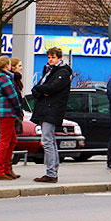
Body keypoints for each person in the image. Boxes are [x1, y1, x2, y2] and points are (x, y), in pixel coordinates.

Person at [30, 47, 72, 183]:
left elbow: (52, 88)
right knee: (50, 141)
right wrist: (42, 91)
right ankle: (52, 171)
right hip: (47, 109)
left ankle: (51, 173)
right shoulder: (48, 71)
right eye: (49, 57)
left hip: (52, 109)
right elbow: (37, 88)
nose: (50, 60)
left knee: (48, 140)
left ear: (59, 58)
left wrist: (41, 90)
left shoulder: (63, 73)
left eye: (53, 57)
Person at [0, 56, 22, 181]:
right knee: (5, 141)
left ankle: (7, 169)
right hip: (7, 112)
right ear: (7, 66)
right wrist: (18, 109)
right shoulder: (4, 78)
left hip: (0, 112)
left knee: (12, 140)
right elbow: (13, 95)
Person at [10, 58, 25, 136]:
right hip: (13, 111)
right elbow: (13, 96)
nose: (21, 68)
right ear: (13, 67)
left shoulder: (16, 79)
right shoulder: (12, 79)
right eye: (19, 65)